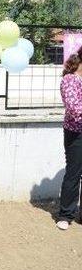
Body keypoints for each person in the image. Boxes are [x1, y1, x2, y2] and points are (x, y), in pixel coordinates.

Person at [56, 45, 82, 230]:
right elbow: (74, 108)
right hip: (76, 133)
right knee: (74, 174)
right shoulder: (70, 80)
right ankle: (65, 215)